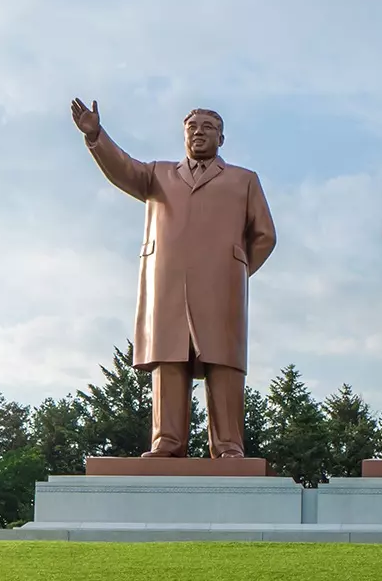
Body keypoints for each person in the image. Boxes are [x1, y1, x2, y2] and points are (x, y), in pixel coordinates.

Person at [71, 99, 277, 459]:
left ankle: (228, 445)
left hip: (221, 286)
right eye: (192, 127)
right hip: (166, 283)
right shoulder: (157, 174)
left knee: (223, 361)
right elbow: (123, 169)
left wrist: (236, 271)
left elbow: (264, 235)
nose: (199, 132)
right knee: (169, 360)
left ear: (222, 138)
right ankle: (167, 442)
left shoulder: (244, 180)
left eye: (208, 128)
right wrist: (96, 136)